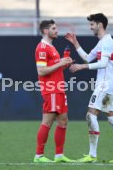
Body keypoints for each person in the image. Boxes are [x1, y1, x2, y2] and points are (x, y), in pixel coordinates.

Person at [65, 13, 113, 163]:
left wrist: (82, 67)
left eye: (92, 24)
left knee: (90, 115)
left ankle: (92, 155)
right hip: (109, 85)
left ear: (100, 24)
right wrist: (76, 44)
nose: (90, 27)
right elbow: (89, 57)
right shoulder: (103, 42)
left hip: (104, 84)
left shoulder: (107, 42)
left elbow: (102, 63)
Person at [34, 19, 75, 163]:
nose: (57, 30)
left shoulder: (51, 47)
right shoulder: (42, 48)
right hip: (51, 90)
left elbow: (54, 67)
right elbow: (41, 71)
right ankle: (39, 155)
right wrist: (61, 63)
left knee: (63, 121)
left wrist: (64, 63)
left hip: (59, 88)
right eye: (54, 28)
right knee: (47, 121)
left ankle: (59, 155)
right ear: (46, 31)